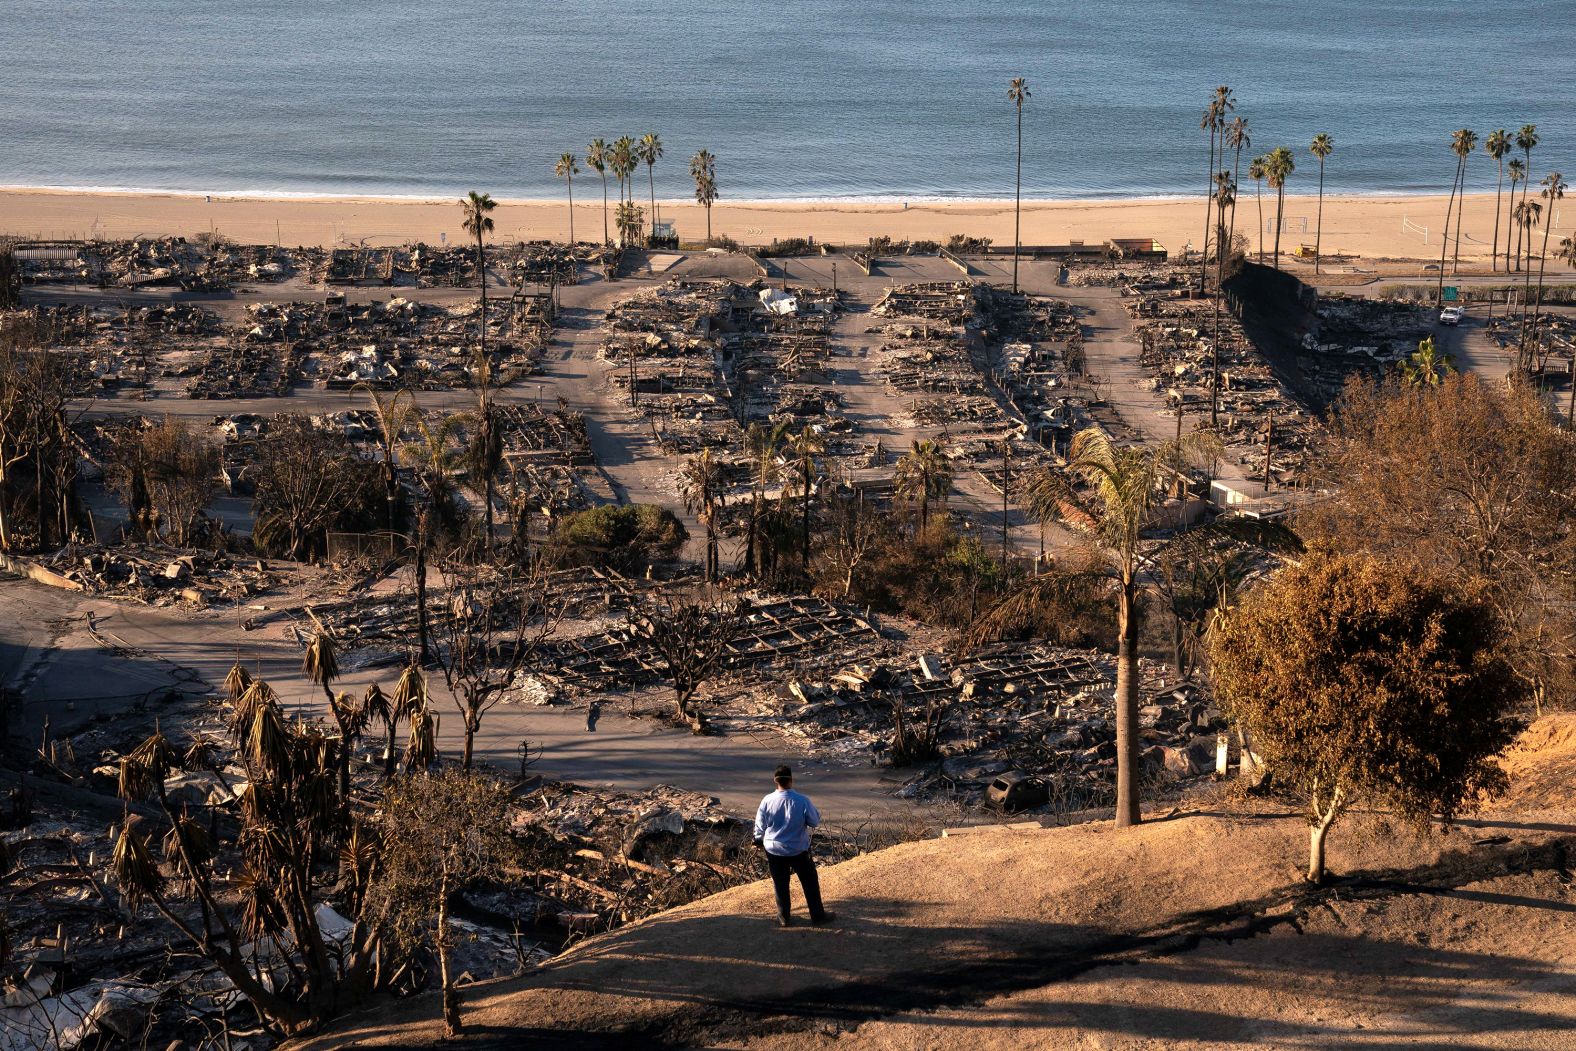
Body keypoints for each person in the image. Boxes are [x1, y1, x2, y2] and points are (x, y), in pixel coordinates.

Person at [753, 765, 834, 927]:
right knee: (809, 882)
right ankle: (818, 916)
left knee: (780, 883)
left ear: (775, 782)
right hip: (798, 850)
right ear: (791, 780)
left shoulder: (767, 800)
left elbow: (760, 825)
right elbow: (814, 822)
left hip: (774, 850)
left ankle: (784, 916)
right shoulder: (802, 800)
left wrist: (757, 839)